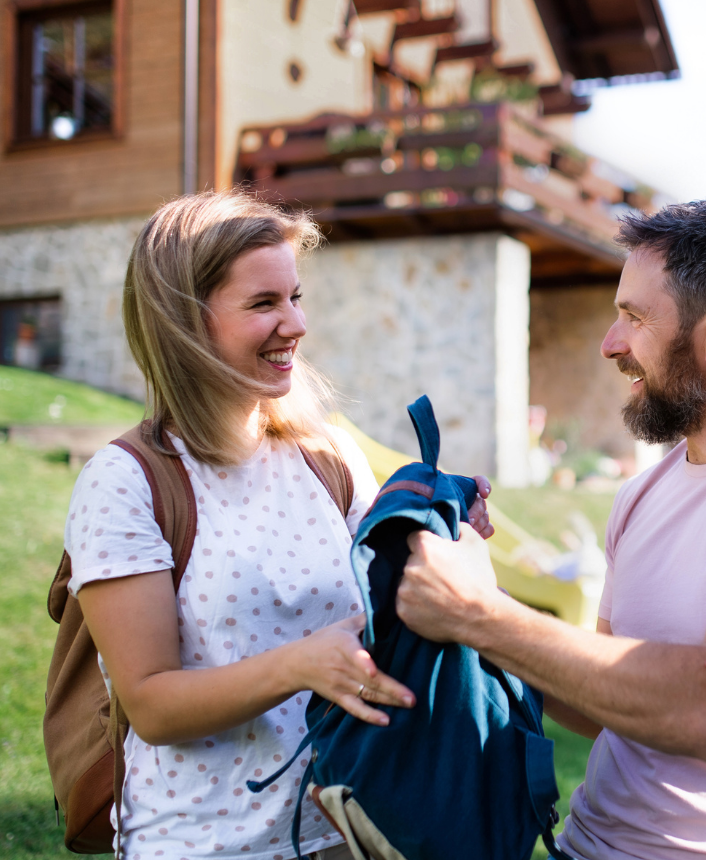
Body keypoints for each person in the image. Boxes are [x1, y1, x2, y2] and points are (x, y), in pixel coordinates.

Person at [397, 194, 706, 859]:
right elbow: (604, 705)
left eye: (632, 317)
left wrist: (482, 615)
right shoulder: (642, 494)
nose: (610, 343)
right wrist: (474, 588)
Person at [66, 191, 491, 860]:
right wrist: (300, 665)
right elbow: (151, 704)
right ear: (183, 322)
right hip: (200, 845)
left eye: (295, 298)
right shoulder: (127, 482)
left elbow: (390, 618)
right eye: (264, 304)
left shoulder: (328, 457)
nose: (294, 325)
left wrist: (439, 528)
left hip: (345, 831)